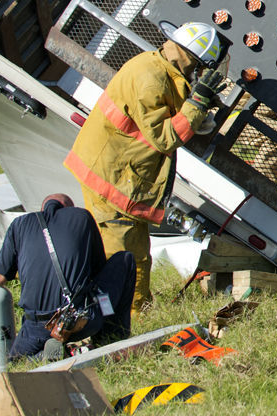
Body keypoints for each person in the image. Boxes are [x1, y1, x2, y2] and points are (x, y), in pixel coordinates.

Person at [64, 21, 225, 310]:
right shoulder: (151, 79)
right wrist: (197, 103)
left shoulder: (157, 67)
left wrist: (196, 107)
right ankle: (118, 320)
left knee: (138, 255)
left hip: (120, 174)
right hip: (112, 180)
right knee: (120, 258)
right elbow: (165, 137)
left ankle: (139, 311)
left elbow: (167, 111)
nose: (196, 72)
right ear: (189, 57)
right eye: (198, 66)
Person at [0, 194, 134, 360]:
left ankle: (41, 357)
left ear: (43, 209)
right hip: (79, 321)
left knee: (15, 363)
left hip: (35, 327)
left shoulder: (19, 225)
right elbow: (98, 271)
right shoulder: (81, 217)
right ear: (67, 208)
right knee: (124, 260)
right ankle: (110, 337)